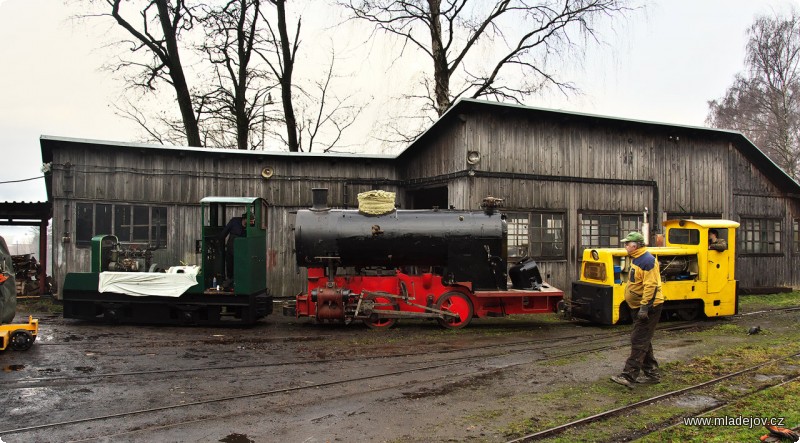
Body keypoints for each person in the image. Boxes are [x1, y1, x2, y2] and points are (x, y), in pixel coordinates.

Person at [610, 231, 665, 389]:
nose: (625, 246)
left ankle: (629, 376)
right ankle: (652, 374)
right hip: (639, 306)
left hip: (649, 307)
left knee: (638, 339)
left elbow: (651, 286)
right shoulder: (638, 258)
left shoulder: (647, 261)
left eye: (628, 243)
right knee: (643, 338)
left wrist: (645, 307)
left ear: (636, 245)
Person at [220, 213, 247, 281]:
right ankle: (230, 280)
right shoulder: (234, 221)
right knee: (230, 265)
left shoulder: (251, 227)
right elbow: (224, 233)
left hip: (242, 250)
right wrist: (220, 243)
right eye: (251, 221)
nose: (252, 222)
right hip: (231, 247)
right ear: (245, 219)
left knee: (240, 266)